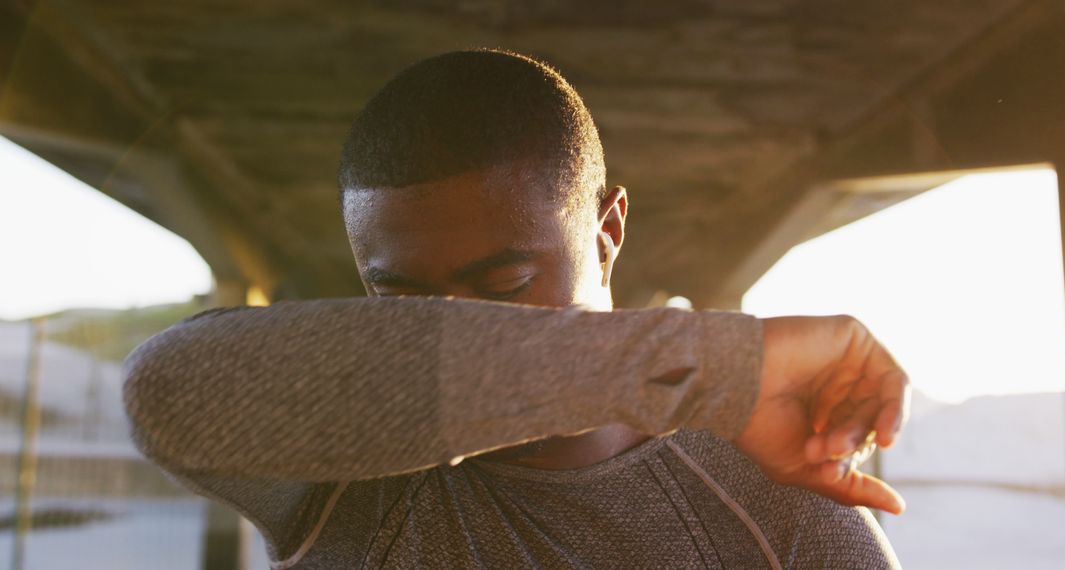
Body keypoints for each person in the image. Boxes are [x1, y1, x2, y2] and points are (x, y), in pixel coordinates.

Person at [122, 48, 909, 568]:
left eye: (503, 288)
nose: (464, 328)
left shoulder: (780, 518)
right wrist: (708, 368)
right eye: (401, 301)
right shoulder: (350, 474)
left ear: (608, 232)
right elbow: (165, 395)